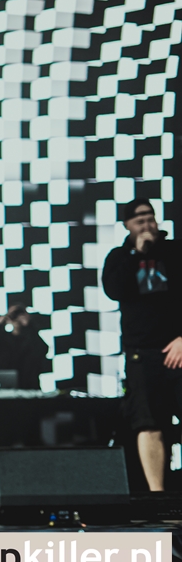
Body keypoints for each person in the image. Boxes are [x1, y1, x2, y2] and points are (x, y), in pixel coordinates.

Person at [102, 198, 181, 492]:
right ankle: (157, 495)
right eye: (139, 220)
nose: (147, 224)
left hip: (177, 348)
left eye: (150, 218)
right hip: (141, 353)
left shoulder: (174, 251)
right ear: (127, 225)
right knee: (148, 424)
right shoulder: (120, 257)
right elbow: (114, 290)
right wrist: (136, 253)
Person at [0, 304, 50, 390]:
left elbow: (43, 349)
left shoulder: (31, 339)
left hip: (29, 385)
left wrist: (29, 325)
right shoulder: (2, 340)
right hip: (6, 386)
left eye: (19, 313)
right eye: (13, 314)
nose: (16, 316)